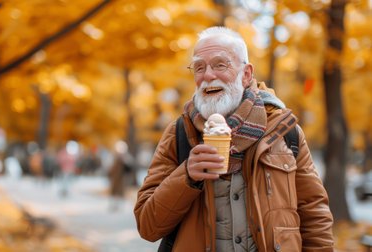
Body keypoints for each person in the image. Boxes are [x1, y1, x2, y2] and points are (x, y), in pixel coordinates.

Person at [134, 26, 334, 252]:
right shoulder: (179, 133)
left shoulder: (283, 131)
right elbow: (147, 226)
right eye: (199, 67)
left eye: (220, 64)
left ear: (246, 74)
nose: (208, 75)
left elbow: (315, 217)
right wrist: (187, 175)